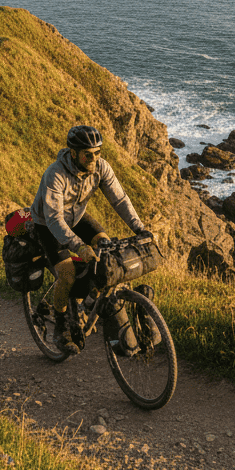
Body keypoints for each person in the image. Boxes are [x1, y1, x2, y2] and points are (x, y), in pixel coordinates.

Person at [31, 125, 149, 355]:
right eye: (88, 154)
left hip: (77, 217)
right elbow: (54, 219)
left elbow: (120, 200)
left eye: (97, 152)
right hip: (48, 224)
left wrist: (140, 229)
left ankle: (86, 304)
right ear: (74, 153)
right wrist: (78, 246)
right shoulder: (55, 174)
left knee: (106, 250)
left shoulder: (101, 168)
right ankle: (61, 325)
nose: (94, 159)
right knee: (67, 273)